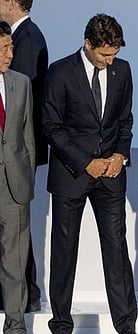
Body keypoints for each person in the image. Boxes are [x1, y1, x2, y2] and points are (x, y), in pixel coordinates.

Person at [42, 14, 138, 334]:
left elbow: (125, 120)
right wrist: (87, 162)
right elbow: (51, 126)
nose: (109, 60)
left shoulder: (123, 71)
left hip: (111, 177)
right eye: (104, 55)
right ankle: (60, 330)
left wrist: (120, 156)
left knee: (116, 250)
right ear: (88, 44)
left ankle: (127, 329)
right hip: (71, 175)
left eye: (113, 54)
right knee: (64, 253)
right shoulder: (59, 71)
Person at [0, 0, 48, 314]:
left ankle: (24, 299)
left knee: (16, 246)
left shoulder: (27, 38)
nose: (9, 53)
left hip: (14, 167)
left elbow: (23, 116)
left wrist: (25, 172)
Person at [0, 20, 35, 334]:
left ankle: (16, 330)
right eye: (3, 49)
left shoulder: (21, 83)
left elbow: (28, 138)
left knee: (15, 262)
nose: (10, 54)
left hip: (14, 188)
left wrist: (27, 181)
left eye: (10, 47)